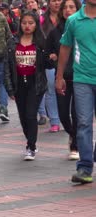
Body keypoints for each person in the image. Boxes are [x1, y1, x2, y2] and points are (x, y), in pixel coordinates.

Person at [56, 0, 96, 184]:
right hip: (82, 80)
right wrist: (59, 76)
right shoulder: (74, 20)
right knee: (84, 123)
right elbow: (65, 48)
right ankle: (85, 167)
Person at [4, 11, 50, 161]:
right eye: (24, 23)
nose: (27, 26)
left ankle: (31, 146)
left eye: (31, 23)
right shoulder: (12, 42)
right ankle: (31, 141)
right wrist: (9, 87)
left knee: (31, 115)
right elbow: (7, 67)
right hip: (19, 84)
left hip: (35, 83)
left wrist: (51, 58)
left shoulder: (41, 42)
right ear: (20, 24)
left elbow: (47, 65)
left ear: (36, 25)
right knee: (23, 117)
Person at [47, 0, 82, 160]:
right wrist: (52, 58)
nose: (68, 10)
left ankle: (75, 145)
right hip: (62, 77)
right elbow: (47, 54)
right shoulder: (55, 32)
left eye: (72, 7)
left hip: (81, 77)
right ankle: (73, 135)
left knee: (77, 113)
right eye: (65, 7)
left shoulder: (82, 28)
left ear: (78, 9)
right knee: (62, 114)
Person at [41, 0, 63, 132]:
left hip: (67, 61)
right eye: (53, 0)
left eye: (59, 0)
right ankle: (54, 121)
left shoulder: (69, 18)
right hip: (49, 61)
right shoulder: (42, 19)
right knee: (50, 90)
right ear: (49, 3)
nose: (57, 3)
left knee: (67, 91)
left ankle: (67, 118)